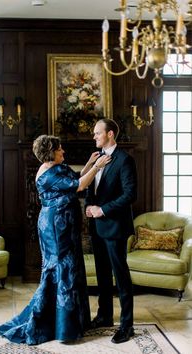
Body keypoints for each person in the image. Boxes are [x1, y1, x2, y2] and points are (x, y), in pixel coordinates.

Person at [0, 134, 111, 345]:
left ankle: (71, 322)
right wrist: (97, 167)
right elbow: (78, 186)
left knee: (70, 268)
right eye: (60, 149)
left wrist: (89, 163)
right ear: (51, 152)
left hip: (64, 225)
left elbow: (75, 178)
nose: (63, 152)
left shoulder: (57, 167)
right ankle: (61, 327)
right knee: (62, 269)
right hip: (55, 227)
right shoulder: (47, 173)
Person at [85, 118, 137, 344]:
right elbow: (92, 188)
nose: (94, 136)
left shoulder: (125, 160)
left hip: (115, 226)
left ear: (110, 134)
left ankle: (127, 325)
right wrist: (88, 204)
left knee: (121, 277)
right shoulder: (97, 158)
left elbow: (129, 195)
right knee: (103, 275)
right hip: (97, 227)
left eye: (97, 133)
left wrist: (102, 210)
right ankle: (105, 316)